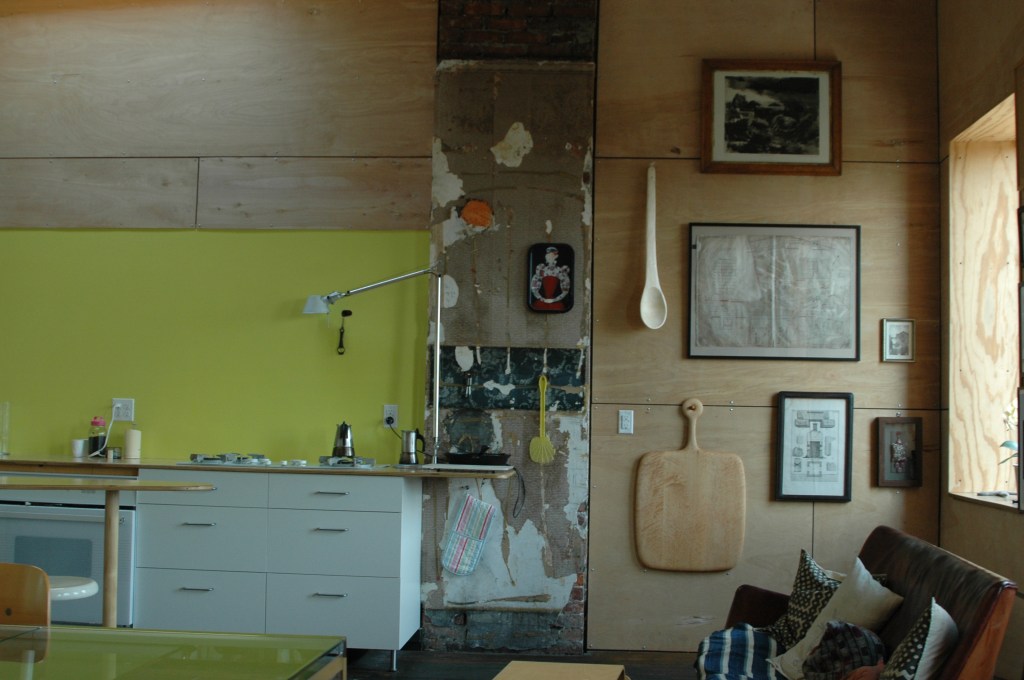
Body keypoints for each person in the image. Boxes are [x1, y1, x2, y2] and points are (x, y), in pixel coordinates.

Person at [530, 246, 571, 310]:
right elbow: (534, 286)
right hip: (541, 303)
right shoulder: (541, 269)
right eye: (547, 255)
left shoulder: (560, 271)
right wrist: (542, 299)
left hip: (556, 303)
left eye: (550, 255)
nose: (548, 256)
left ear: (556, 256)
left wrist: (554, 300)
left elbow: (565, 289)